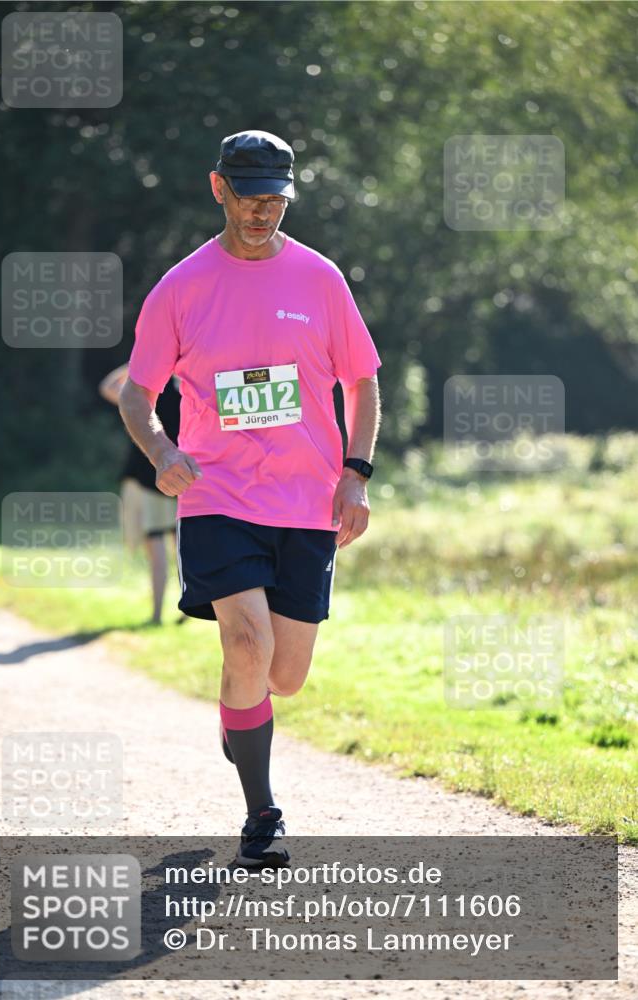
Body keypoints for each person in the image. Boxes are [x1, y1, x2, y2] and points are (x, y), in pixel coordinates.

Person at [118, 129, 382, 867]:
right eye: (249, 197)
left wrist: (355, 472)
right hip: (216, 495)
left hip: (304, 504)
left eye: (275, 200)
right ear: (218, 190)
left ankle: (242, 718)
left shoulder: (320, 279)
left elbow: (362, 382)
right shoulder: (181, 287)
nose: (262, 213)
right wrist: (162, 451)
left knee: (283, 676)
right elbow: (138, 397)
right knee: (245, 643)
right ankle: (261, 814)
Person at [99, 365, 181, 624]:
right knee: (180, 548)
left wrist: (138, 361)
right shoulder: (190, 395)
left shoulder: (145, 392)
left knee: (156, 548)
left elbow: (108, 387)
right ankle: (188, 605)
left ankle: (157, 614)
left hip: (149, 478)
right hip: (181, 478)